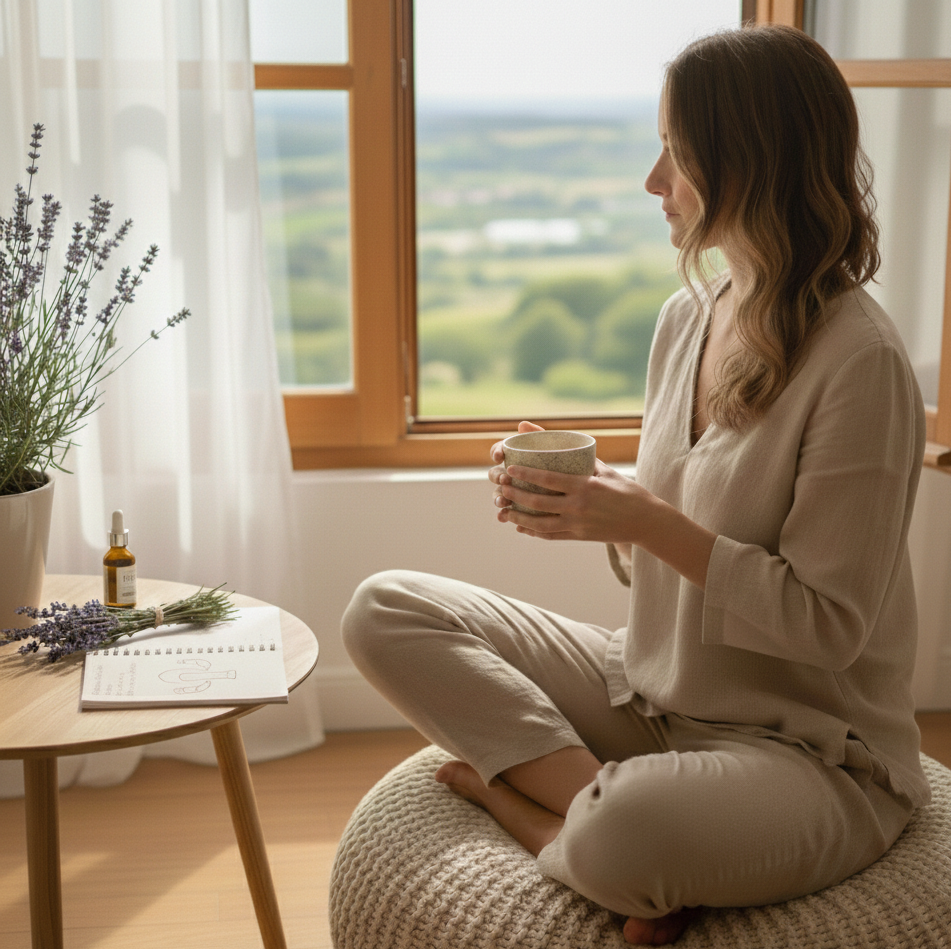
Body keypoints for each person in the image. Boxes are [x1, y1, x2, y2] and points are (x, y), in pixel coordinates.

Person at [342, 23, 930, 946]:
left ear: (752, 166)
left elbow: (827, 626)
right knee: (385, 608)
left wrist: (646, 521)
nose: (653, 180)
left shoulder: (861, 363)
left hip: (809, 749)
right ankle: (604, 812)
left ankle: (541, 814)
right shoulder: (686, 318)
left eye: (677, 154)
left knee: (630, 828)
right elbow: (674, 534)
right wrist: (597, 508)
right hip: (651, 690)